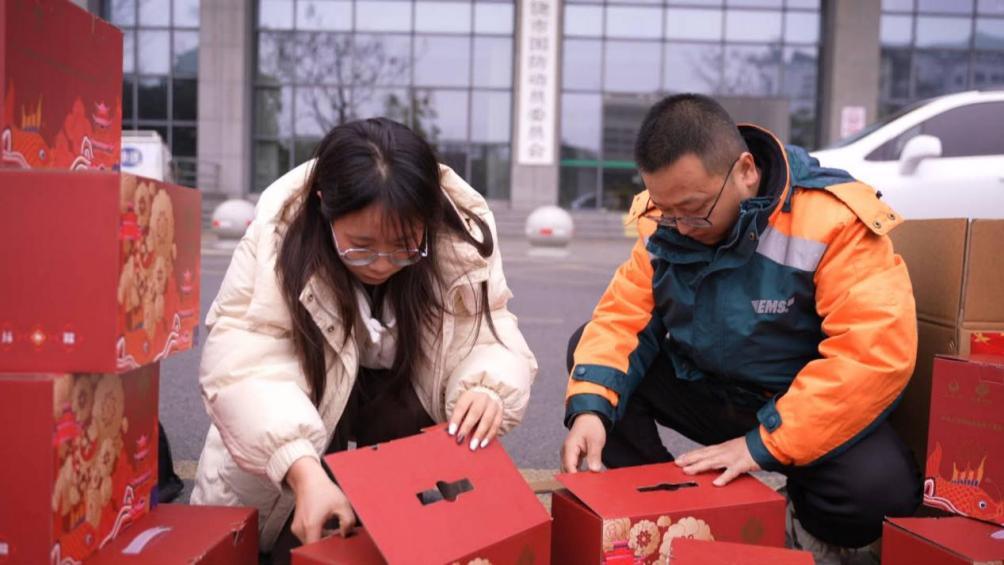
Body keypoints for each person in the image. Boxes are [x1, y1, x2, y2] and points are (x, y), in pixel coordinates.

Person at [561, 94, 921, 562]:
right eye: (667, 211)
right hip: (709, 391)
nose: (680, 227)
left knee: (881, 492)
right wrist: (590, 411)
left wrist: (761, 445)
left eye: (694, 210)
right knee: (591, 359)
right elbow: (621, 320)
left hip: (795, 402)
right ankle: (663, 505)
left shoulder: (833, 220)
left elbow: (870, 354)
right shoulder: (666, 217)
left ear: (746, 171)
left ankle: (798, 516)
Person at [190, 118, 537, 562]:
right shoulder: (279, 238)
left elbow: (488, 333)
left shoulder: (460, 239)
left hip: (395, 410)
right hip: (302, 417)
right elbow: (244, 366)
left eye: (404, 245)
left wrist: (487, 386)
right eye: (360, 244)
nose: (381, 263)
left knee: (416, 516)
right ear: (324, 205)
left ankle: (411, 521)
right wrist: (300, 468)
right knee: (300, 544)